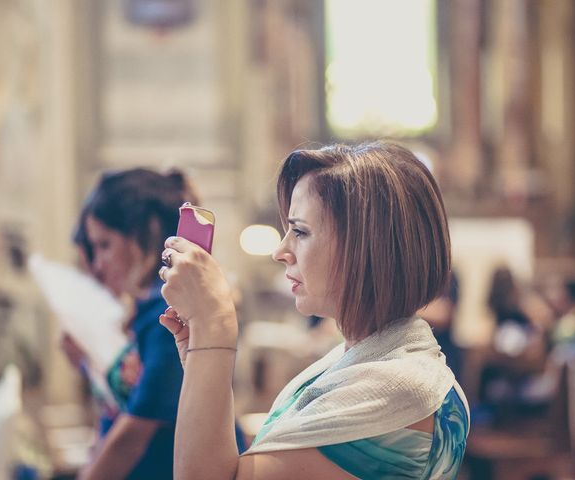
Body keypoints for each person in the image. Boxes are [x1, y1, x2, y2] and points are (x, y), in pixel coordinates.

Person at [159, 142, 469, 479]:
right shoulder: (363, 363)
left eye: (301, 231)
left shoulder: (400, 386)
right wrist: (200, 354)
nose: (281, 250)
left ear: (365, 247)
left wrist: (214, 326)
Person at [70, 168, 195, 480]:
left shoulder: (168, 316)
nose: (98, 263)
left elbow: (133, 435)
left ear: (143, 235)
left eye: (105, 245)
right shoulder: (146, 312)